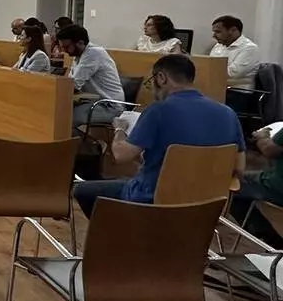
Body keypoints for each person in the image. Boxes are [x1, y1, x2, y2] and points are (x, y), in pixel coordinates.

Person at [73, 55, 244, 217]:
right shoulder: (228, 113)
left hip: (154, 198)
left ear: (161, 78)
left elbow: (121, 155)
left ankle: (121, 233)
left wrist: (120, 130)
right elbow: (239, 168)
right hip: (208, 203)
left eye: (151, 82)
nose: (152, 89)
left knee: (82, 190)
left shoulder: (158, 110)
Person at [55, 24, 126, 128]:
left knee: (65, 116)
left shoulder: (93, 53)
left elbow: (73, 85)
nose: (64, 51)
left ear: (80, 42)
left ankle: (72, 138)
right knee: (58, 111)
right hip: (94, 102)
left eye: (66, 47)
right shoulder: (78, 55)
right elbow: (70, 82)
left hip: (110, 107)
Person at [230, 125, 283, 248]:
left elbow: (269, 150)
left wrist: (261, 137)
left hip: (277, 187)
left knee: (232, 184)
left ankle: (266, 236)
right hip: (273, 180)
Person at [210, 15, 262, 89]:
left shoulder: (250, 48)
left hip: (237, 91)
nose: (214, 36)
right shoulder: (218, 46)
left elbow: (232, 73)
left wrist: (207, 71)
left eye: (218, 32)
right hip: (217, 87)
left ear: (233, 30)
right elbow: (210, 65)